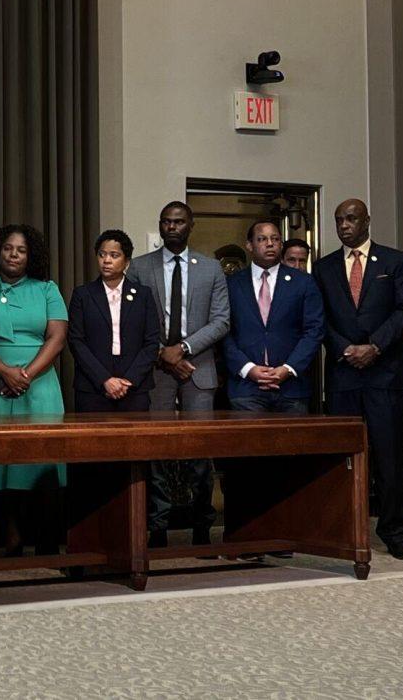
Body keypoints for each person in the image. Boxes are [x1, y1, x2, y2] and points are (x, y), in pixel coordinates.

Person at [313, 199, 403, 560]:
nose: (345, 225)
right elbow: (319, 318)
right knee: (344, 459)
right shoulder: (324, 267)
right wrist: (346, 349)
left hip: (385, 373)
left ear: (367, 221)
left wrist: (373, 346)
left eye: (352, 218)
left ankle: (395, 531)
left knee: (389, 457)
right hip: (344, 375)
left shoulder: (393, 261)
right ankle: (345, 529)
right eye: (339, 219)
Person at [128, 202, 230, 548]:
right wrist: (163, 354)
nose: (172, 227)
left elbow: (221, 321)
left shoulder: (211, 268)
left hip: (198, 369)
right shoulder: (140, 267)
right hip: (156, 370)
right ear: (160, 226)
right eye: (166, 222)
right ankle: (157, 527)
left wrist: (183, 349)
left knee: (199, 451)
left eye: (179, 222)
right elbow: (134, 321)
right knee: (156, 450)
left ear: (191, 225)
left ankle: (202, 527)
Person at [0, 225, 69, 553]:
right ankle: (9, 538)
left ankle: (46, 539)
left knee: (41, 459)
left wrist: (25, 374)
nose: (13, 255)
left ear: (32, 256)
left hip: (40, 385)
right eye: (8, 249)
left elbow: (57, 338)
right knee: (0, 461)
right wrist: (4, 372)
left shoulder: (47, 289)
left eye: (21, 250)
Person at [224, 221, 324, 413]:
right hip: (246, 388)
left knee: (293, 443)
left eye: (275, 239)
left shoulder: (303, 282)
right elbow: (223, 331)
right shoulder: (232, 283)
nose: (270, 244)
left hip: (292, 387)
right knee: (250, 443)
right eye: (262, 239)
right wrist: (247, 368)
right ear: (249, 245)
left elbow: (314, 330)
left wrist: (288, 368)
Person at [68, 229, 160, 413]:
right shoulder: (83, 295)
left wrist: (128, 381)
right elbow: (76, 341)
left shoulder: (143, 295)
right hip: (92, 388)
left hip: (134, 388)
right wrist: (105, 380)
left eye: (114, 255)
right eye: (102, 255)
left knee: (136, 441)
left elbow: (151, 342)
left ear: (126, 261)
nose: (106, 260)